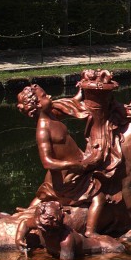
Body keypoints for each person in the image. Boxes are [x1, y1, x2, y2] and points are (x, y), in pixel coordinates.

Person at [17, 84, 110, 237]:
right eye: (45, 96)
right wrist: (73, 165)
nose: (50, 97)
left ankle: (29, 210)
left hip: (77, 168)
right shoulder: (43, 129)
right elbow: (47, 162)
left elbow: (69, 104)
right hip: (69, 177)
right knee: (99, 198)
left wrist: (81, 94)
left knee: (44, 195)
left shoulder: (51, 114)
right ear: (39, 105)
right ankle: (91, 232)